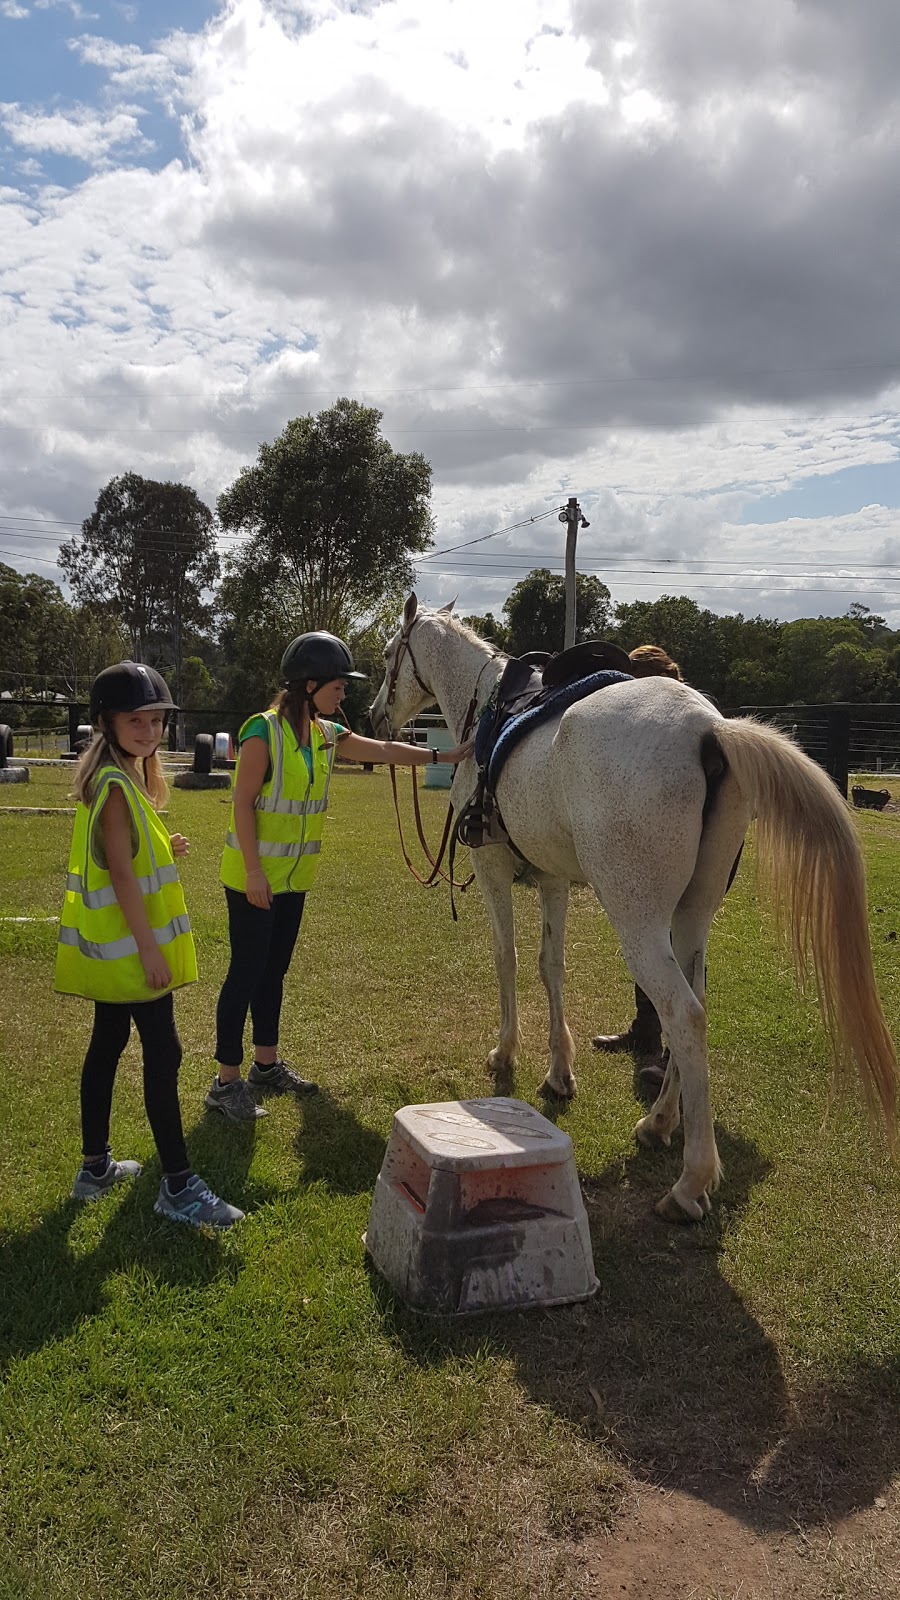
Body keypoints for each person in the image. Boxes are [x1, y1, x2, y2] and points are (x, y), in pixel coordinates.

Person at [209, 631, 473, 1121]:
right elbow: (243, 804)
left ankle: (265, 1065)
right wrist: (252, 871)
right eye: (339, 685)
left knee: (274, 973)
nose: (345, 694)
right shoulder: (261, 733)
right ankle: (225, 1083)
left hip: (293, 880)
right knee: (244, 975)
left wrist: (445, 757)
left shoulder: (325, 734)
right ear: (309, 685)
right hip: (254, 879)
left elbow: (384, 751)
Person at [56, 662, 244, 1229]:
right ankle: (179, 1186)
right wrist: (150, 949)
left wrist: (167, 846)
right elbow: (120, 876)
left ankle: (94, 1169)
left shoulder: (118, 778)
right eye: (134, 719)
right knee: (164, 1056)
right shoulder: (116, 787)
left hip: (115, 955)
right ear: (106, 723)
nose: (147, 728)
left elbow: (130, 855)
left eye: (156, 718)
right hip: (134, 954)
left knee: (108, 1043)